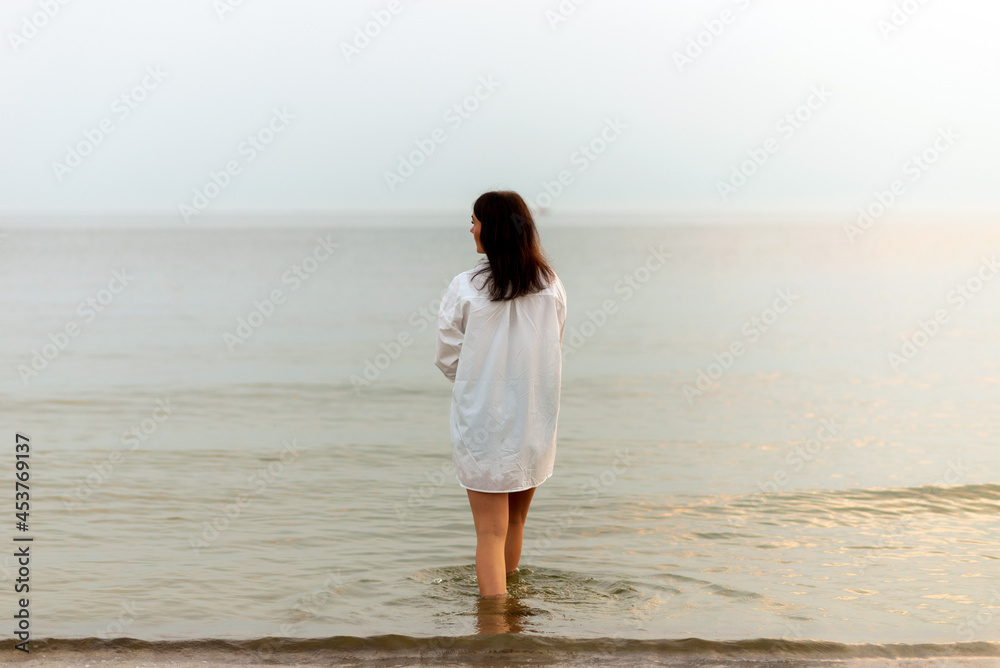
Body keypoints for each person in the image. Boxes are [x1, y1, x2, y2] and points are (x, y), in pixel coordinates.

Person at [435, 190, 567, 599]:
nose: (471, 228)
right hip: (533, 417)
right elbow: (553, 344)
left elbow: (447, 355)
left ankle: (492, 631)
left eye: (474, 220)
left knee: (489, 533)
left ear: (491, 228)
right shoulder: (550, 284)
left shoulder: (465, 286)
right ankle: (512, 622)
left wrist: (478, 379)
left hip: (484, 424)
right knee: (515, 525)